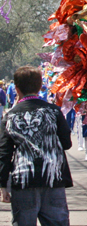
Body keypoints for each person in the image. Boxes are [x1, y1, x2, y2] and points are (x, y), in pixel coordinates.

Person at [0, 65, 72, 226]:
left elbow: (4, 153)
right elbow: (66, 143)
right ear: (40, 86)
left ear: (16, 89)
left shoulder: (10, 116)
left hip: (23, 181)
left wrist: (3, 185)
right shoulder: (54, 112)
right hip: (53, 178)